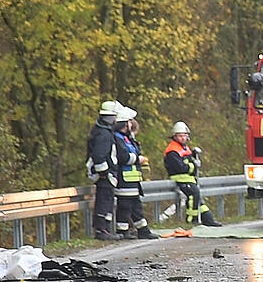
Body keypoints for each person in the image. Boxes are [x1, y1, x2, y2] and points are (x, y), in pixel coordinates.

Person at [163, 121, 221, 227]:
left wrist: (193, 159)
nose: (182, 138)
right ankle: (192, 220)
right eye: (180, 136)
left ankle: (208, 219)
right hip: (180, 179)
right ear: (174, 136)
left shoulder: (184, 148)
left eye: (184, 135)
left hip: (189, 179)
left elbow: (188, 163)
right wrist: (193, 166)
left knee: (198, 197)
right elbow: (181, 167)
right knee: (194, 195)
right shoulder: (173, 150)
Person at [112, 106, 157, 239]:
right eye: (130, 121)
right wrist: (138, 159)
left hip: (132, 180)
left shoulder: (127, 138)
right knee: (125, 206)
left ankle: (143, 230)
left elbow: (134, 151)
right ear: (124, 123)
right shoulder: (117, 138)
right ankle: (123, 231)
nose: (132, 123)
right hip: (123, 179)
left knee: (136, 206)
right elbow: (123, 157)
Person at [85, 101, 121, 240]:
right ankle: (101, 230)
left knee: (107, 200)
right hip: (104, 176)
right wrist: (104, 173)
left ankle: (104, 229)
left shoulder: (102, 131)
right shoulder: (104, 134)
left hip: (106, 174)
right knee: (104, 200)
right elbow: (99, 155)